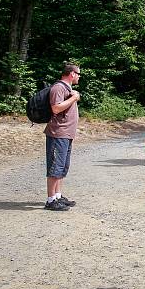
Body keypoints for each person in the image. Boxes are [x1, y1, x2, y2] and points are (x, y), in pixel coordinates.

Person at [44, 63, 81, 211]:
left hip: (65, 134)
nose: (79, 76)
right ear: (72, 73)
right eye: (78, 74)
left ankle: (58, 196)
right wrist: (74, 98)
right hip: (58, 133)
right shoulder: (58, 88)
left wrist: (73, 95)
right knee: (55, 166)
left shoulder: (67, 88)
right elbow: (56, 108)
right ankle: (50, 200)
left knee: (62, 167)